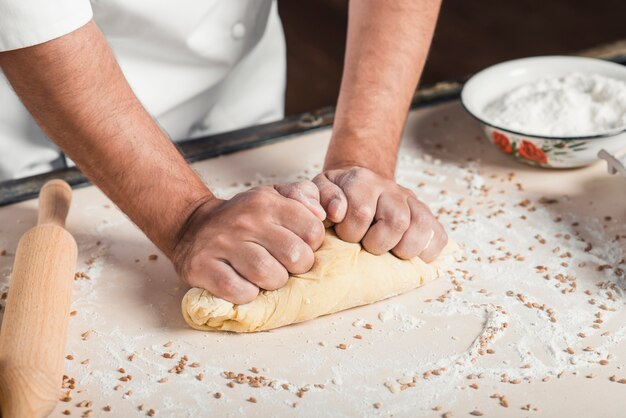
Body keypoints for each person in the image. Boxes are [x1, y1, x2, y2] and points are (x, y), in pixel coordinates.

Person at [0, 0, 447, 304]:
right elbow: (33, 18)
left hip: (237, 97)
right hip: (37, 119)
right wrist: (185, 217)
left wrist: (363, 159)